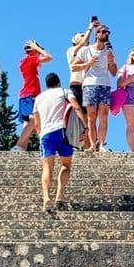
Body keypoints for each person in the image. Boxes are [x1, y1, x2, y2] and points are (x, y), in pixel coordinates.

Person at [32, 72, 86, 213]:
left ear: (46, 85)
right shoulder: (65, 91)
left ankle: (46, 198)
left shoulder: (39, 98)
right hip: (63, 132)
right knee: (66, 165)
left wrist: (40, 136)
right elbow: (76, 107)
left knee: (47, 167)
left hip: (46, 134)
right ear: (58, 83)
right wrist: (85, 127)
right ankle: (60, 194)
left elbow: (36, 122)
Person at [72, 23, 118, 151]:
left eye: (107, 32)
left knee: (104, 115)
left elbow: (114, 72)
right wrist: (88, 63)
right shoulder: (86, 50)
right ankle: (92, 145)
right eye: (103, 31)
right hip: (90, 84)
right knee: (91, 116)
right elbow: (74, 66)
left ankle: (102, 144)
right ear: (96, 34)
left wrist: (110, 61)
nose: (105, 34)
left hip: (105, 84)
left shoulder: (109, 51)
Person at [14, 40, 53, 152]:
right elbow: (49, 57)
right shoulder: (30, 59)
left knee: (28, 123)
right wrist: (37, 47)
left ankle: (22, 148)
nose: (40, 53)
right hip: (29, 94)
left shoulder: (27, 61)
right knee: (33, 120)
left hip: (28, 95)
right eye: (38, 51)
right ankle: (19, 145)